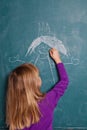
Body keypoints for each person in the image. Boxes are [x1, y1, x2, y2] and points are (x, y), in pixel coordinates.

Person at [6, 48, 69, 130]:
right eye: (37, 76)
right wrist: (57, 59)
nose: (39, 78)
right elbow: (64, 81)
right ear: (36, 83)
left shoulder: (16, 114)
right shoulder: (48, 101)